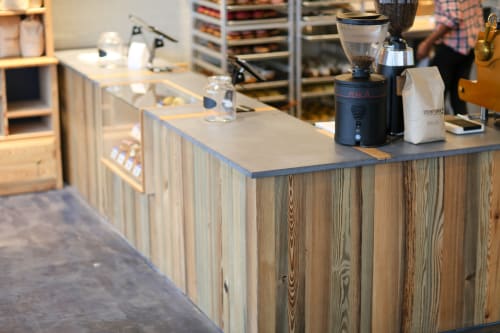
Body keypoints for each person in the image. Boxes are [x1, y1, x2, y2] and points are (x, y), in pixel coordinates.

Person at [416, 0, 484, 115]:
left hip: (452, 46)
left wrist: (427, 43)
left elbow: (454, 18)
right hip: (471, 43)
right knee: (459, 96)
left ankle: (434, 130)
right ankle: (463, 128)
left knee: (436, 98)